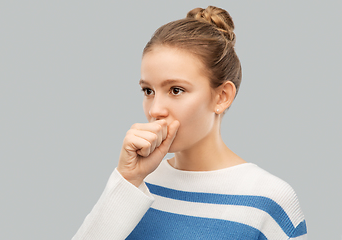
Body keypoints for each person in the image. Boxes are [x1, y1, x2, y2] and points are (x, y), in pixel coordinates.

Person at [72, 6, 307, 240]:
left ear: (222, 96)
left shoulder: (268, 200)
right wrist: (126, 180)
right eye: (148, 90)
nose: (155, 110)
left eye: (176, 90)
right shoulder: (135, 186)